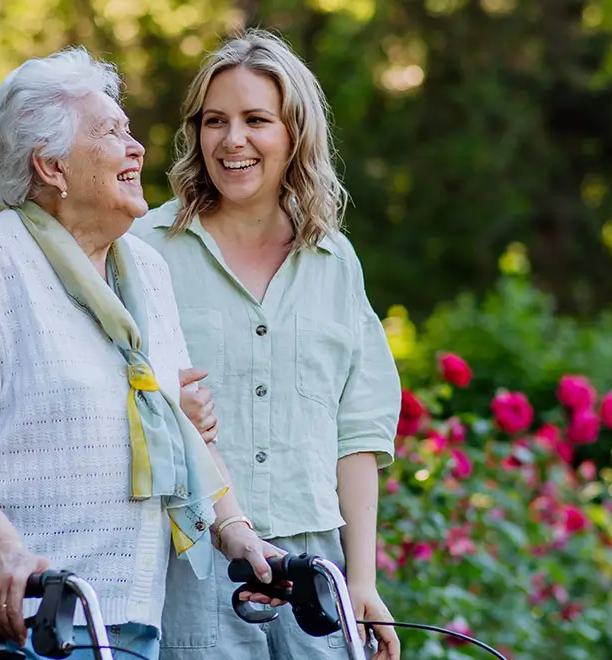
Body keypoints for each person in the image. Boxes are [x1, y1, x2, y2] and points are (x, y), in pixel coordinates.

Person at [0, 47, 279, 660]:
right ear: (52, 165)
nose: (137, 149)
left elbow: (178, 426)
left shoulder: (146, 271)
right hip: (16, 615)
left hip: (124, 610)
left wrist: (238, 531)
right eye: (112, 133)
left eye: (129, 132)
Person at [132, 29, 403, 660]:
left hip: (316, 571)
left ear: (294, 135)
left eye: (257, 119)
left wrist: (360, 580)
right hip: (195, 565)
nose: (232, 140)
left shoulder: (335, 261)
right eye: (215, 120)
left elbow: (357, 431)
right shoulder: (145, 250)